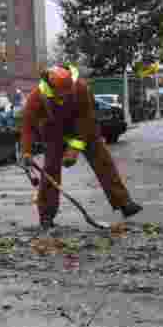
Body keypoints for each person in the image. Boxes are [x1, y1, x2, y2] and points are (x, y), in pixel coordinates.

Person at [19, 64, 142, 229]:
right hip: (54, 133)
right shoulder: (37, 97)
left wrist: (74, 149)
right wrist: (26, 152)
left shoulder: (81, 88)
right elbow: (27, 125)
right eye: (60, 94)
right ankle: (46, 216)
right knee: (50, 170)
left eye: (67, 92)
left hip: (83, 129)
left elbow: (87, 119)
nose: (64, 96)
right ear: (51, 88)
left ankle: (124, 203)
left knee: (103, 161)